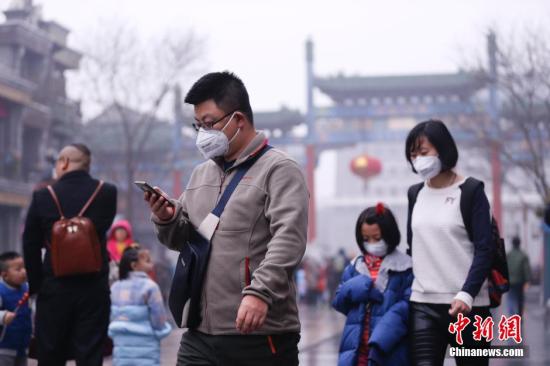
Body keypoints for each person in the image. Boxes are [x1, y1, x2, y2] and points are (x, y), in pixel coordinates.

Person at [144, 71, 309, 365]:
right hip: (199, 332)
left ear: (238, 120)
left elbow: (289, 239)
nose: (202, 134)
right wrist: (167, 218)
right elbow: (182, 241)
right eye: (198, 126)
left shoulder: (280, 169)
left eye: (209, 124)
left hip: (258, 331)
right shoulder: (201, 173)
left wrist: (260, 292)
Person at [405, 120, 494, 366]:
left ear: (443, 149)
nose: (418, 160)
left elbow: (485, 249)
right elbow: (414, 247)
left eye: (424, 153)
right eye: (413, 155)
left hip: (469, 306)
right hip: (423, 304)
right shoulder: (415, 194)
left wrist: (466, 294)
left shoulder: (471, 191)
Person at [22, 143, 117, 365]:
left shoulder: (42, 196)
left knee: (51, 351)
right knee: (90, 353)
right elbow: (100, 231)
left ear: (64, 162)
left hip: (54, 287)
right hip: (93, 288)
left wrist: (37, 286)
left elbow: (30, 244)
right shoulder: (107, 192)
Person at [333, 203, 412, 366]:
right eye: (366, 239)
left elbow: (409, 306)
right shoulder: (355, 266)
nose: (372, 243)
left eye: (377, 238)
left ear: (389, 235)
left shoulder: (405, 267)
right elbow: (339, 303)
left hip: (389, 348)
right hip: (356, 348)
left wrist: (383, 335)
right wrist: (353, 288)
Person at [109, 246, 171, 366]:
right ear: (134, 265)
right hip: (147, 346)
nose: (151, 263)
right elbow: (159, 318)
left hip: (121, 347)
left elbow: (112, 316)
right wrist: (162, 331)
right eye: (147, 261)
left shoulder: (115, 287)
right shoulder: (150, 287)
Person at [0, 252, 31, 366]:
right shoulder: (1, 290)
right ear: (5, 275)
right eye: (18, 269)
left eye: (24, 267)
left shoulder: (27, 288)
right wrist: (3, 316)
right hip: (3, 348)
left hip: (23, 345)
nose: (24, 271)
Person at [506, 236, 531, 317]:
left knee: (510, 299)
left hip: (510, 281)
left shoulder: (508, 255)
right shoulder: (523, 255)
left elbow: (505, 268)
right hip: (520, 282)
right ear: (519, 243)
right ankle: (519, 315)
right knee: (520, 299)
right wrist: (527, 280)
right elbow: (526, 269)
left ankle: (512, 316)